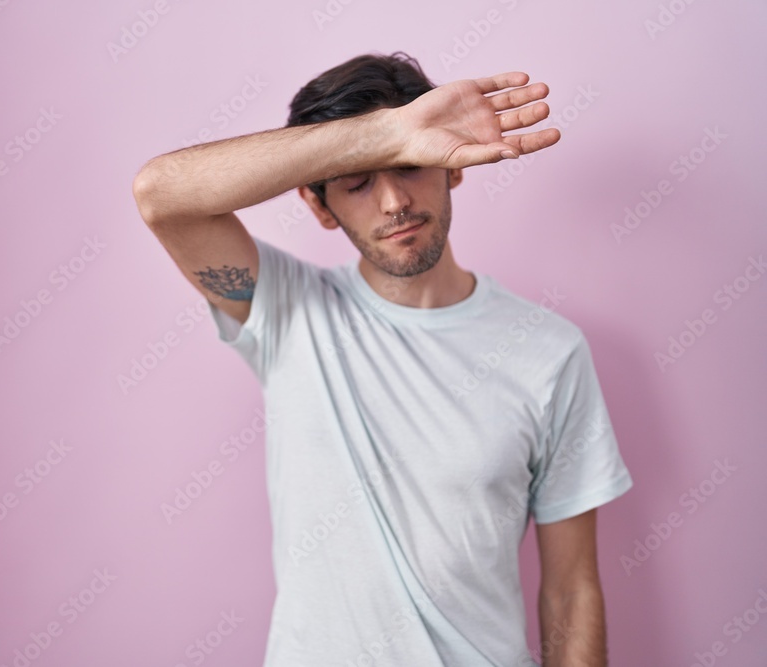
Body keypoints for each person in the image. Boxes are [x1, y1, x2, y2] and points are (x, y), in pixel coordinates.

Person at [132, 51, 633, 667]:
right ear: (319, 206)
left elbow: (570, 588)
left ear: (453, 167)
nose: (394, 200)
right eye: (358, 181)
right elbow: (161, 194)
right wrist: (388, 132)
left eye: (410, 164)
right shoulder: (288, 310)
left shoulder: (551, 352)